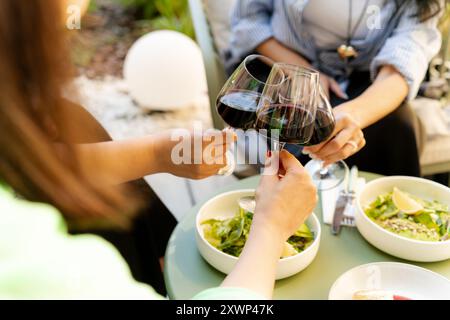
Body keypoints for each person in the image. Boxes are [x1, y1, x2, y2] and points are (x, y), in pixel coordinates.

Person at [0, 0, 317, 299]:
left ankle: (156, 261)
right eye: (62, 32)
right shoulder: (53, 269)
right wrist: (270, 230)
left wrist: (160, 153)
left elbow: (34, 161)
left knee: (73, 117)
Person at [227, 0, 445, 176]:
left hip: (366, 74)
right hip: (280, 64)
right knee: (301, 134)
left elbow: (407, 56)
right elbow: (249, 22)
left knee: (398, 126)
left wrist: (353, 114)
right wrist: (303, 72)